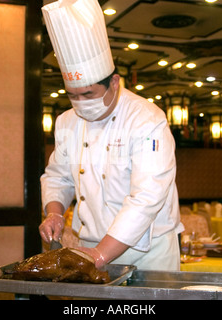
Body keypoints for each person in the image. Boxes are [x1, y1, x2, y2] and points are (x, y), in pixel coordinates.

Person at [39, 0, 183, 271]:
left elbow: (147, 196)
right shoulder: (66, 122)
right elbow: (58, 176)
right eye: (73, 96)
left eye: (89, 94)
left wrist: (101, 254)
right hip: (90, 245)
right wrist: (54, 212)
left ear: (114, 83)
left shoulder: (146, 118)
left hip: (149, 252)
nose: (80, 102)